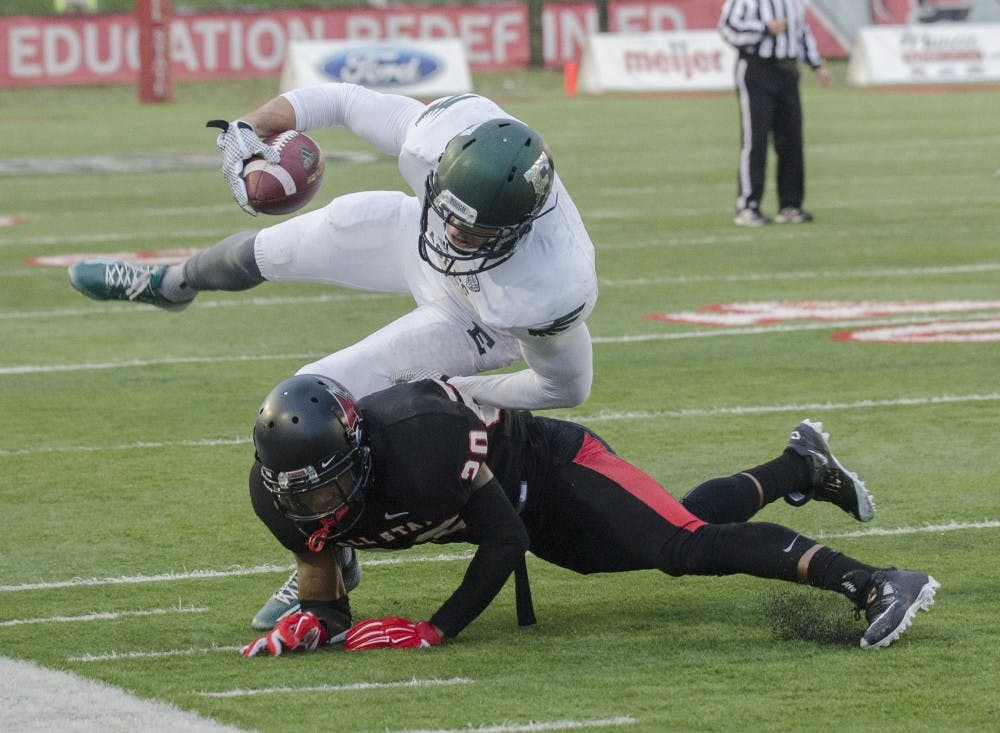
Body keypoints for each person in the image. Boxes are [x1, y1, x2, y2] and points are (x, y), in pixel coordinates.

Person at [67, 85, 598, 631]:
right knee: (280, 246)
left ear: (519, 228)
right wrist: (252, 125)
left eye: (474, 229)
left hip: (477, 318)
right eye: (451, 214)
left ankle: (331, 556)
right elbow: (342, 102)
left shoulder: (548, 286)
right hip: (413, 234)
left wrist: (469, 391)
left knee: (313, 391)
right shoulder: (440, 139)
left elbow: (566, 387)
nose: (454, 233)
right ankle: (170, 283)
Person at [238, 374, 935, 658]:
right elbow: (320, 572)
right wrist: (319, 621)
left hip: (548, 466)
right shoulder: (281, 496)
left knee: (682, 543)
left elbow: (504, 536)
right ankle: (800, 466)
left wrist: (436, 626)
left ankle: (875, 580)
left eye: (325, 488)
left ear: (357, 451)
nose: (316, 507)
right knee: (676, 525)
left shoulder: (421, 441)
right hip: (524, 515)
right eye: (299, 495)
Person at [718, 0, 832, 227]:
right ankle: (748, 206)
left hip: (787, 70)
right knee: (755, 139)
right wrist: (763, 28)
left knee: (791, 139)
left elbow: (801, 30)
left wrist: (816, 63)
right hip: (757, 67)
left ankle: (790, 205)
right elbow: (728, 27)